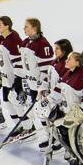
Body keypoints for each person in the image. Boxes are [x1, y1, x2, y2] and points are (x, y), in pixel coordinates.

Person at [18, 18, 56, 149]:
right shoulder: (25, 43)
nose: (24, 29)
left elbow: (47, 69)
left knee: (48, 113)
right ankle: (48, 135)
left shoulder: (43, 44)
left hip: (41, 88)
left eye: (26, 26)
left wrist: (42, 88)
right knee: (40, 113)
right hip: (32, 85)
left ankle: (55, 138)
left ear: (35, 28)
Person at [0, 16, 30, 134]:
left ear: (7, 26)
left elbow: (19, 63)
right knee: (6, 101)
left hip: (15, 78)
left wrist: (17, 81)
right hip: (6, 78)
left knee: (17, 103)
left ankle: (29, 128)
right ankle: (18, 126)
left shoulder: (14, 40)